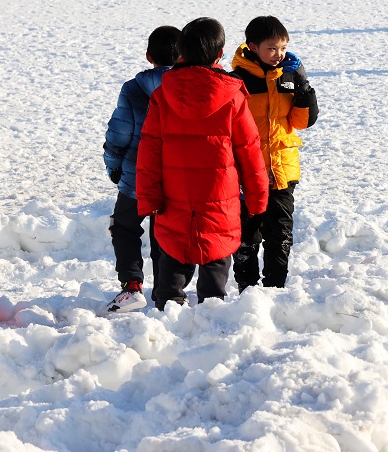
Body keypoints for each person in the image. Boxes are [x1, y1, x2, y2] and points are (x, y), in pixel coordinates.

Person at [136, 17, 269, 310]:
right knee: (215, 269)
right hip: (219, 204)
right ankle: (212, 328)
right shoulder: (232, 97)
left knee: (170, 273)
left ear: (180, 53)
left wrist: (149, 199)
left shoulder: (162, 96)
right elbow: (250, 153)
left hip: (173, 202)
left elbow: (148, 154)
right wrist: (259, 201)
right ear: (219, 54)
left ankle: (166, 324)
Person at [229, 16, 318, 292]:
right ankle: (247, 288)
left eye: (283, 47)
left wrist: (302, 85)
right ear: (253, 47)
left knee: (279, 234)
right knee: (247, 235)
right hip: (247, 172)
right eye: (272, 48)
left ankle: (275, 288)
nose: (279, 54)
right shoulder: (237, 80)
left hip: (282, 169)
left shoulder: (288, 76)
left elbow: (303, 121)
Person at [101, 25, 181, 314]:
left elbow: (118, 135)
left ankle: (132, 286)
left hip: (136, 176)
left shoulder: (133, 89)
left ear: (149, 56)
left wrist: (113, 167)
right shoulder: (188, 87)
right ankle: (165, 291)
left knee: (124, 228)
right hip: (174, 176)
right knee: (164, 233)